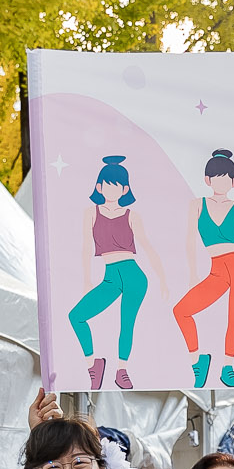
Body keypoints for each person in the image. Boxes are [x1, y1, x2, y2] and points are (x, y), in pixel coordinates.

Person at [175, 149, 234, 390]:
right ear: (207, 180)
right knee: (181, 311)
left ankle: (227, 367)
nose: (220, 182)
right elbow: (189, 240)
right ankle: (198, 361)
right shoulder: (197, 205)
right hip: (217, 269)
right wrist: (192, 273)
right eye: (216, 177)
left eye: (225, 178)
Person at [70, 155, 164, 390]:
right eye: (107, 184)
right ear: (99, 186)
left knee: (126, 324)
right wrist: (86, 280)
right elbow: (85, 247)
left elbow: (148, 247)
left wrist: (162, 278)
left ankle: (121, 370)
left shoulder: (132, 215)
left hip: (133, 275)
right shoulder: (91, 213)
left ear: (124, 189)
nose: (112, 189)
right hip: (110, 276)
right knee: (76, 316)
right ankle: (94, 364)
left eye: (117, 185)